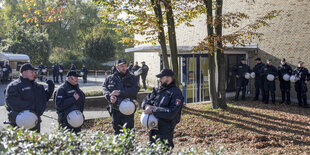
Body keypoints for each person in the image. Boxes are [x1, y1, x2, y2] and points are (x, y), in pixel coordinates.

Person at [4, 63, 55, 132]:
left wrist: (50, 89)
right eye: (32, 72)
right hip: (20, 123)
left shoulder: (37, 86)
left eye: (34, 72)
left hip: (34, 122)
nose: (34, 74)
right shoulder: (14, 86)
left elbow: (43, 100)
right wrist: (33, 107)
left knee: (35, 142)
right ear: (24, 72)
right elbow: (13, 104)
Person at [142, 69, 184, 149]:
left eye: (161, 77)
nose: (159, 80)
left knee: (164, 149)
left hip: (165, 129)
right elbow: (145, 101)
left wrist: (154, 110)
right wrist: (147, 106)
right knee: (152, 150)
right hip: (153, 127)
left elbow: (172, 112)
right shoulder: (158, 90)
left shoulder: (175, 93)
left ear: (169, 78)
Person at [102, 59, 140, 135]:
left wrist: (120, 92)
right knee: (117, 130)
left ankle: (129, 146)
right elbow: (105, 88)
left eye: (125, 66)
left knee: (129, 131)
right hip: (115, 109)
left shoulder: (132, 78)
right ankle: (119, 146)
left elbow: (135, 90)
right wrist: (110, 97)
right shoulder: (110, 78)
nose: (124, 68)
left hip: (128, 108)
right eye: (122, 66)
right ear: (117, 67)